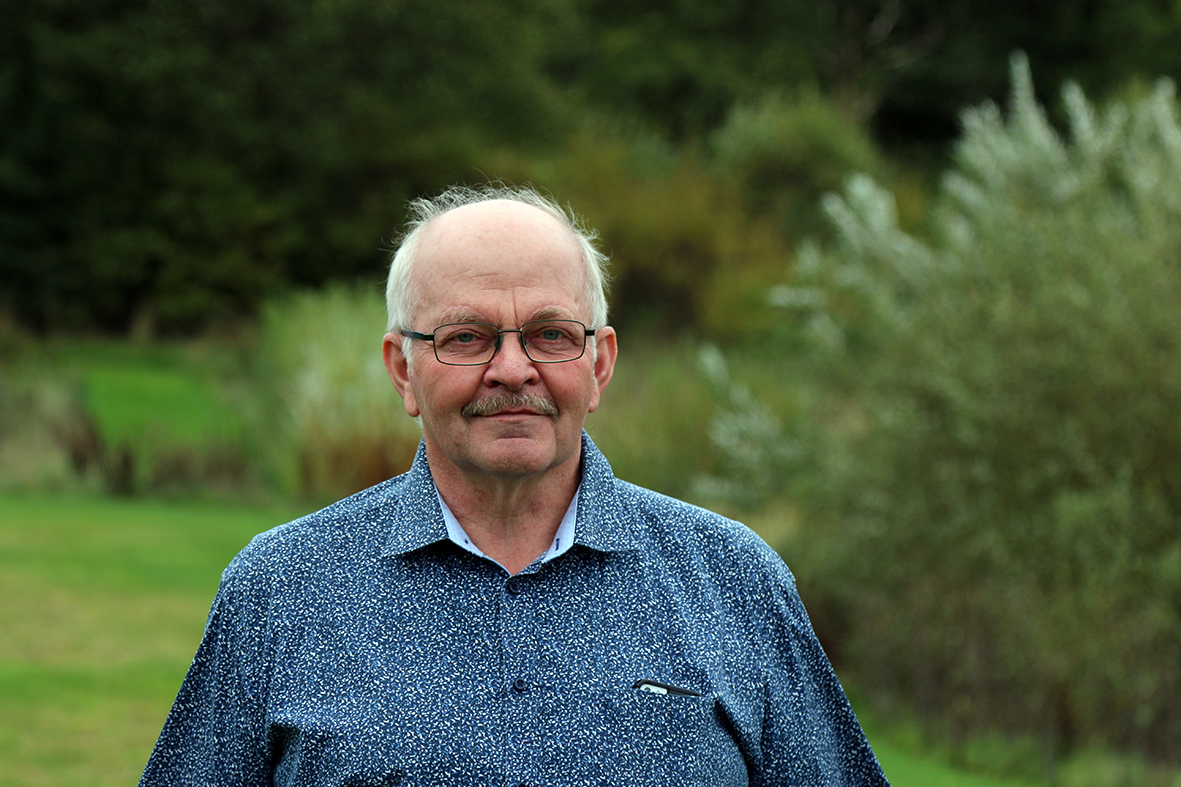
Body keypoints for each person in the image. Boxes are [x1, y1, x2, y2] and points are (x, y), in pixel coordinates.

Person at [139, 184, 890, 786]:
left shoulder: (733, 580)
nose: (510, 369)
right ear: (403, 368)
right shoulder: (280, 591)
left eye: (550, 334)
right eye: (466, 337)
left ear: (599, 364)